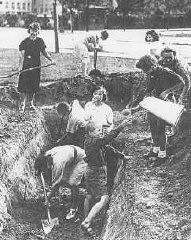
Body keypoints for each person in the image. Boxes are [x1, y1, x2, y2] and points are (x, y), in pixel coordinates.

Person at [123, 55, 188, 167]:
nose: (145, 72)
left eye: (146, 70)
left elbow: (181, 82)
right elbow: (148, 89)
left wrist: (168, 91)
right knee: (152, 124)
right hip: (155, 102)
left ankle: (162, 154)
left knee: (160, 127)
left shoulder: (166, 72)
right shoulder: (151, 74)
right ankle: (155, 149)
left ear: (153, 65)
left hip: (165, 102)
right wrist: (143, 101)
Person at [81, 118, 131, 235]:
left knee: (89, 196)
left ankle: (86, 220)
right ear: (90, 132)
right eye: (97, 130)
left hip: (89, 171)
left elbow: (108, 148)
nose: (100, 132)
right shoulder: (94, 141)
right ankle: (87, 222)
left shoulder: (91, 141)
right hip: (96, 172)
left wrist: (122, 156)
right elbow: (107, 139)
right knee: (105, 199)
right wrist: (120, 126)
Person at [34, 145, 87, 220]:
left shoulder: (58, 164)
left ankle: (74, 208)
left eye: (44, 169)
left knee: (73, 183)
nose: (44, 171)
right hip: (69, 156)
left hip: (80, 159)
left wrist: (48, 199)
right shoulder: (46, 155)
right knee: (64, 179)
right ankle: (63, 201)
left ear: (47, 164)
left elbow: (56, 185)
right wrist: (38, 171)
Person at [18, 22, 54, 112]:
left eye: (35, 30)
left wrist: (51, 60)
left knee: (33, 85)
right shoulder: (24, 42)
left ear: (38, 31)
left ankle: (30, 104)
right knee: (23, 86)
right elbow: (21, 56)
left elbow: (44, 52)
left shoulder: (40, 41)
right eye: (32, 30)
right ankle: (22, 104)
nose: (33, 32)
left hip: (36, 67)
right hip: (26, 67)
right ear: (29, 30)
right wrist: (20, 68)